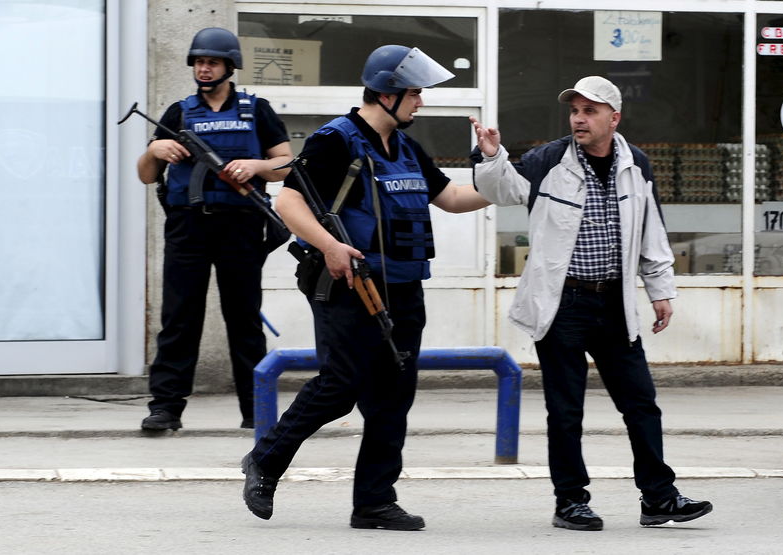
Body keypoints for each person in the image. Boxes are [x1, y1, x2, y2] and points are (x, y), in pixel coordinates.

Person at [240, 44, 490, 531]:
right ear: (385, 93)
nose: (421, 103)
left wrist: (511, 179)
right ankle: (265, 461)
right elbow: (290, 204)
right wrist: (331, 247)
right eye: (415, 94)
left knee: (393, 396)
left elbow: (455, 198)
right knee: (339, 387)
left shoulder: (407, 146)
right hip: (349, 284)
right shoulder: (336, 140)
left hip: (403, 289)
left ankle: (374, 501)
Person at [470, 76, 713, 531]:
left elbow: (651, 232)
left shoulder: (635, 163)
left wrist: (661, 290)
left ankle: (659, 497)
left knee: (641, 402)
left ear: (613, 118)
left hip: (614, 301)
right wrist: (490, 156)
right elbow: (501, 191)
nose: (579, 119)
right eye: (575, 111)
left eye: (590, 111)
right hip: (563, 303)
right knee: (566, 409)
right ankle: (570, 502)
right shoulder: (547, 160)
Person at [136, 27, 293, 431]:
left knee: (243, 318)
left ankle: (256, 410)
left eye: (212, 62)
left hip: (240, 223)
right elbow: (146, 175)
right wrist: (154, 150)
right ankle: (166, 408)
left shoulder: (256, 110)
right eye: (199, 62)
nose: (204, 68)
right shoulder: (179, 112)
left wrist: (257, 167)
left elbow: (287, 164)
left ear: (229, 66)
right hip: (188, 225)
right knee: (179, 317)